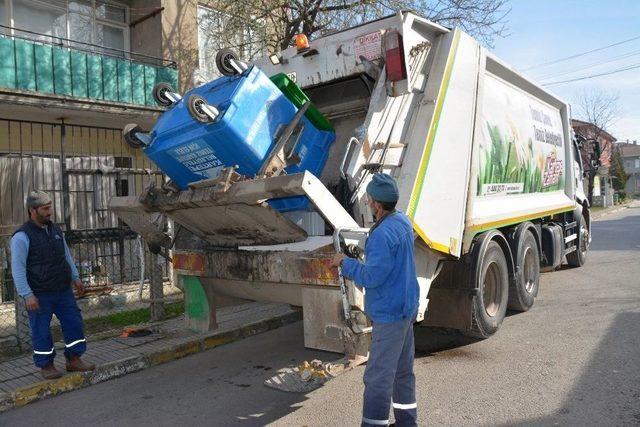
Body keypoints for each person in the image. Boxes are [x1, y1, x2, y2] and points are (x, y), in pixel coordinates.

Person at [330, 173, 420, 427]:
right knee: (403, 373)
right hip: (405, 309)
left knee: (378, 377)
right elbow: (390, 265)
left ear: (377, 204)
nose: (368, 202)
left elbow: (372, 277)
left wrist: (345, 263)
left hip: (389, 315)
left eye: (369, 199)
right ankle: (407, 422)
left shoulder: (381, 235)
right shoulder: (402, 221)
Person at [11, 191, 95, 379]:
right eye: (45, 208)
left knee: (74, 322)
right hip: (40, 294)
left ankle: (74, 359)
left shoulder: (55, 230)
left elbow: (66, 255)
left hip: (63, 290)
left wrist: (75, 277)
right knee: (41, 330)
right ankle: (46, 365)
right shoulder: (22, 237)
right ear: (32, 210)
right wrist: (27, 294)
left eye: (50, 207)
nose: (50, 212)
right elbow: (17, 269)